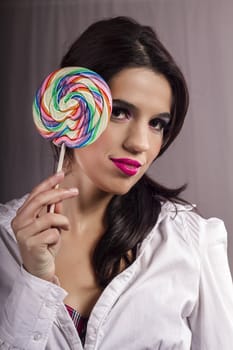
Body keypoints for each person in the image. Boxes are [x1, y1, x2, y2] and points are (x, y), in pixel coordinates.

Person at [0, 16, 233, 350]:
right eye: (120, 112)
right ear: (73, 106)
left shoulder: (190, 243)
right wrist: (33, 280)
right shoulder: (5, 244)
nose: (140, 143)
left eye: (156, 123)